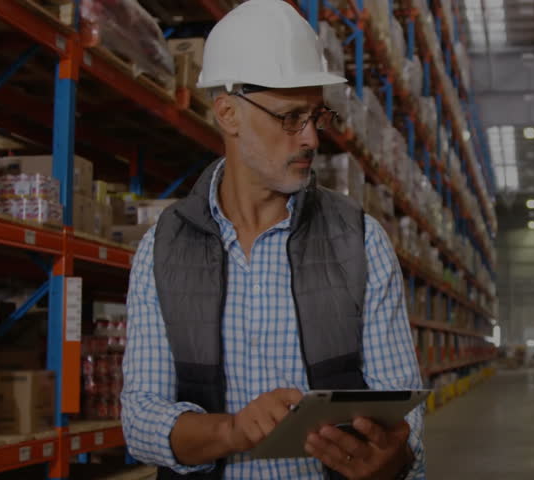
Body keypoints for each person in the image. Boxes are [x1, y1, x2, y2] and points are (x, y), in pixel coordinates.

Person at [120, 1, 426, 479]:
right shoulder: (164, 248)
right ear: (228, 113)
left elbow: (403, 413)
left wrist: (394, 461)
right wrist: (231, 431)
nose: (310, 138)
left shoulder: (360, 241)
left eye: (316, 116)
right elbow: (140, 420)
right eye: (289, 117)